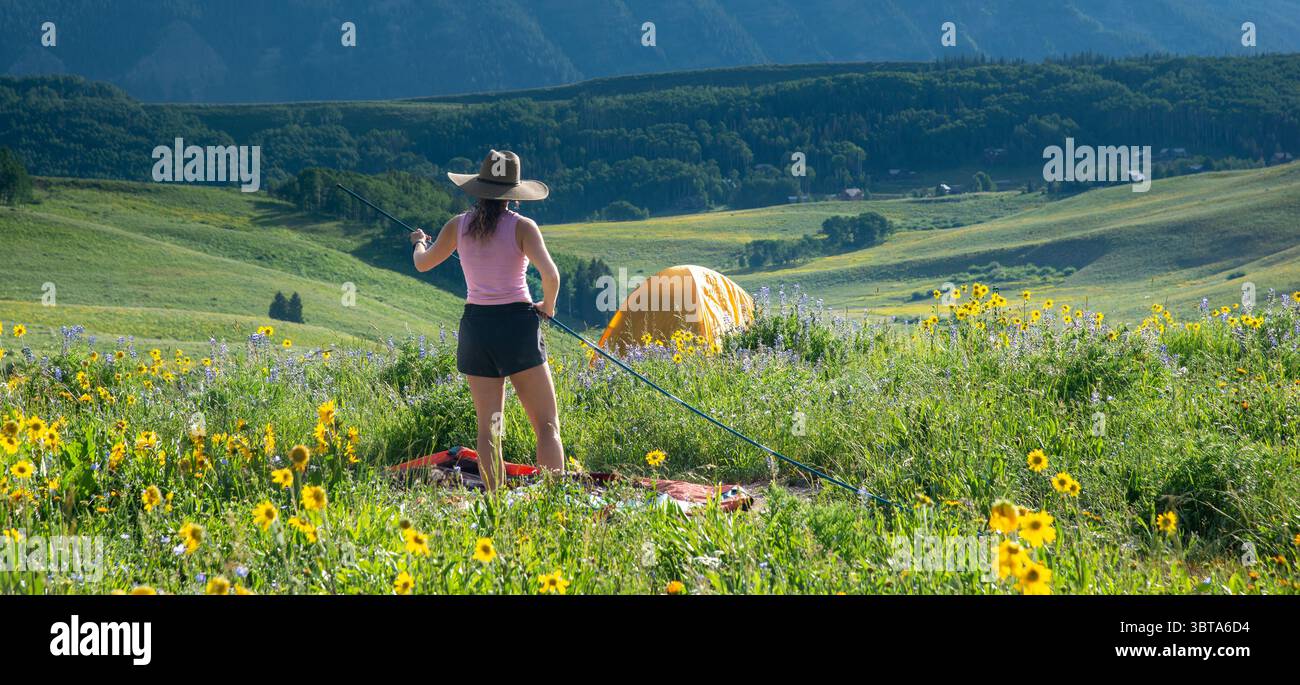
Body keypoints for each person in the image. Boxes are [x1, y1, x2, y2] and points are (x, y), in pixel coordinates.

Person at [410, 150, 563, 489]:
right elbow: (551, 276)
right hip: (518, 327)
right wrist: (547, 307)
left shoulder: (457, 226)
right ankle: (555, 500)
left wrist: (420, 243)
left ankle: (494, 503)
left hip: (477, 330)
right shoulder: (523, 227)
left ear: (478, 190)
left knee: (490, 429)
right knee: (546, 426)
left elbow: (422, 264)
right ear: (513, 194)